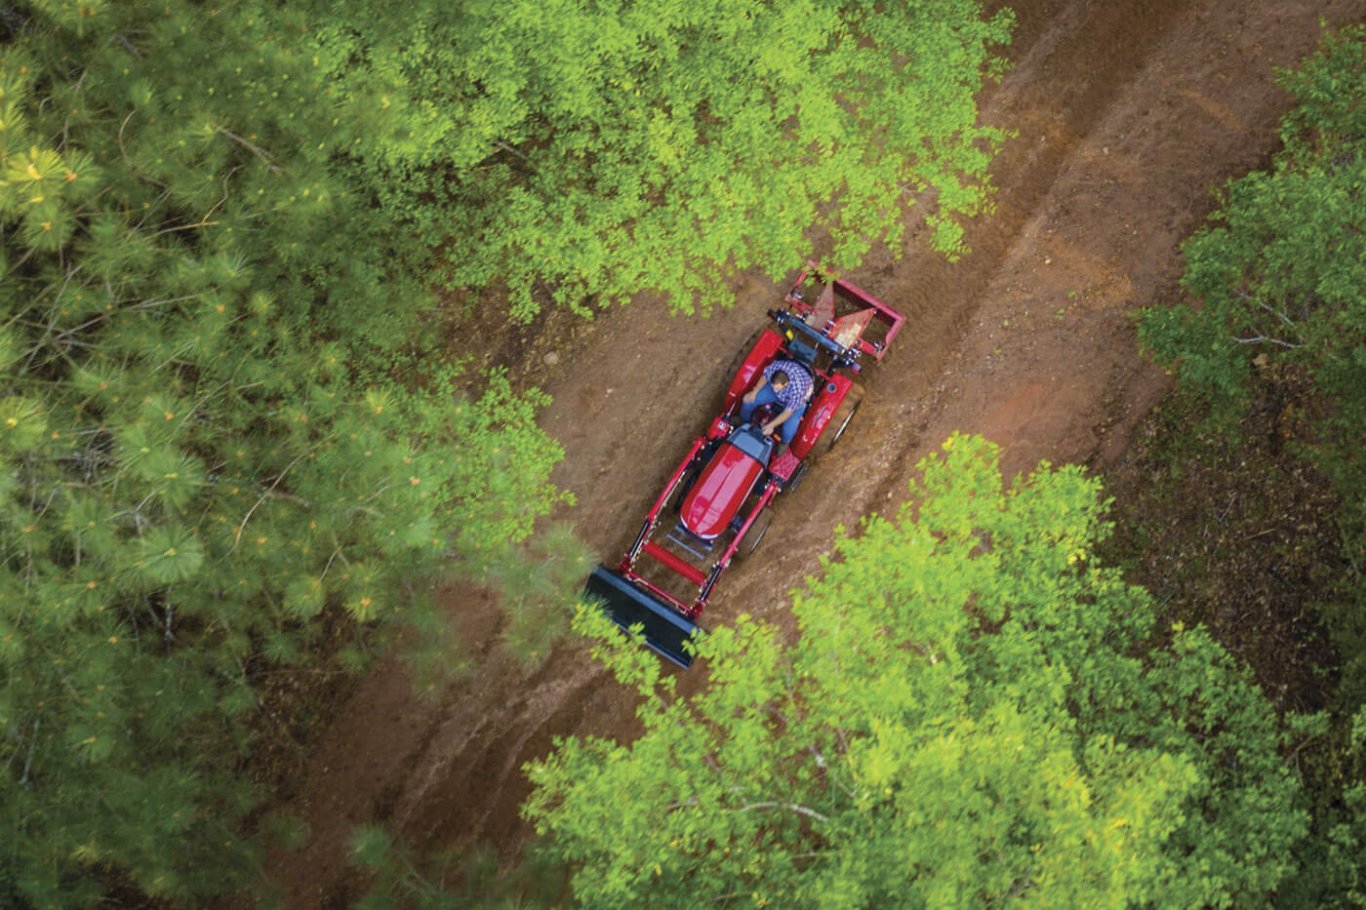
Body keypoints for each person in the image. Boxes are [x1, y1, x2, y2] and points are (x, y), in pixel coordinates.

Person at [739, 358, 813, 453]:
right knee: (748, 401)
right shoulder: (776, 367)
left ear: (786, 384)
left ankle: (784, 442)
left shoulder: (798, 390)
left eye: (777, 387)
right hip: (776, 392)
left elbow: (788, 412)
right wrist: (754, 392)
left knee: (788, 430)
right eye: (773, 385)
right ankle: (743, 421)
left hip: (798, 401)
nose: (775, 388)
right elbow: (765, 377)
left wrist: (771, 425)